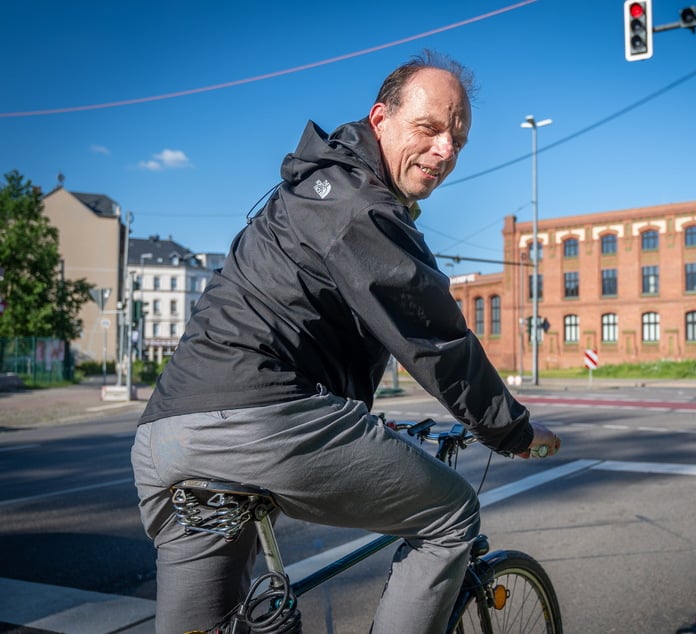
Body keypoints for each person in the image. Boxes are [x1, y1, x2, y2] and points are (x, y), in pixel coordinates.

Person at [131, 50, 561, 634]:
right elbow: (434, 338)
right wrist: (511, 429)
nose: (445, 151)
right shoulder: (361, 207)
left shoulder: (309, 192)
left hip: (166, 437)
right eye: (429, 129)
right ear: (380, 119)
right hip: (261, 421)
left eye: (458, 139)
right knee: (450, 515)